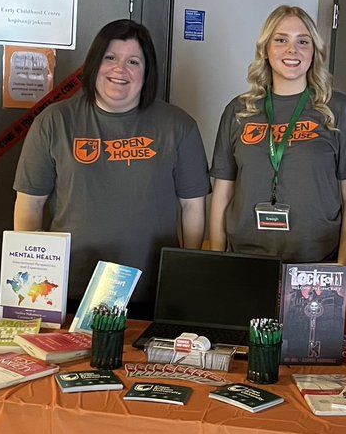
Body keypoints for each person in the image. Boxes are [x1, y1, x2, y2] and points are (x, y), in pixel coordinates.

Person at [13, 19, 210, 315]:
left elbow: (193, 208)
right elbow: (29, 205)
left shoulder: (178, 126)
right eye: (110, 58)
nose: (120, 70)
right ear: (95, 63)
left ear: (147, 72)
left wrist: (184, 278)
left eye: (133, 61)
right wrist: (32, 281)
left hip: (152, 293)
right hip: (67, 291)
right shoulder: (54, 122)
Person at [208, 5, 346, 264]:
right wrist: (216, 258)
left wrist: (343, 268)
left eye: (303, 41)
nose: (292, 50)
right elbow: (222, 193)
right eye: (281, 40)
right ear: (265, 49)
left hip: (316, 262)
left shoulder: (340, 110)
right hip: (244, 258)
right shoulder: (239, 110)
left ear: (314, 51)